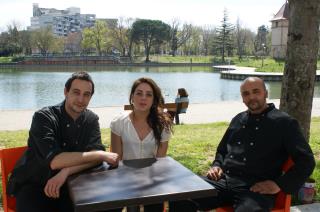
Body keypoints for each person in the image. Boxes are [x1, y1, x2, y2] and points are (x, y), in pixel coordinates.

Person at [170, 77, 315, 212]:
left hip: (256, 189)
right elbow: (222, 150)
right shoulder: (238, 119)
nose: (251, 97)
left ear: (266, 93)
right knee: (180, 196)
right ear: (242, 98)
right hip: (224, 181)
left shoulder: (284, 123)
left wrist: (279, 185)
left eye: (256, 92)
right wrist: (217, 166)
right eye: (246, 94)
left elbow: (306, 160)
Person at [8, 71, 119, 212]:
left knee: (111, 205)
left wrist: (66, 171)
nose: (81, 99)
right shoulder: (43, 117)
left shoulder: (91, 119)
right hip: (35, 186)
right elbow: (55, 161)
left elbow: (95, 158)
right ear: (66, 92)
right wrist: (101, 155)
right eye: (76, 92)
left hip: (70, 185)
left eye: (86, 94)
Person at [110, 77, 173, 212]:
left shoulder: (163, 126)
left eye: (148, 94)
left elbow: (160, 160)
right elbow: (116, 158)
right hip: (125, 179)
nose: (143, 98)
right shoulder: (118, 122)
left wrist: (149, 182)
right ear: (132, 97)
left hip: (152, 179)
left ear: (153, 100)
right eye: (139, 93)